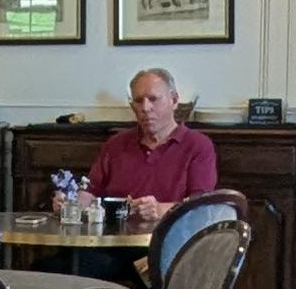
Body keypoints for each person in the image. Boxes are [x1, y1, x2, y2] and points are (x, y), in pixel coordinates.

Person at [89, 69, 221, 208]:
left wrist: (159, 209)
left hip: (173, 222)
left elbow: (199, 205)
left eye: (153, 99)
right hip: (117, 221)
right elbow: (90, 191)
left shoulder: (198, 145)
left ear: (174, 100)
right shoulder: (115, 144)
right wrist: (75, 205)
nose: (145, 108)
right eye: (138, 101)